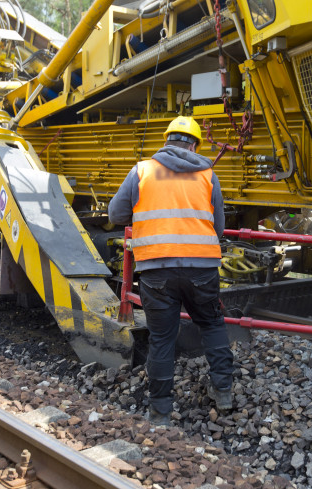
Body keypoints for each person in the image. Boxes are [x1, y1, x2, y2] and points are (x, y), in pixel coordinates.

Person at [108, 116, 234, 426]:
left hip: (157, 270)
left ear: (167, 141)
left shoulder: (142, 170)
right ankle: (225, 393)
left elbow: (115, 214)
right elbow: (218, 227)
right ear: (193, 145)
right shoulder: (207, 174)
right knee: (212, 324)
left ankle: (160, 413)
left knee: (162, 339)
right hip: (202, 268)